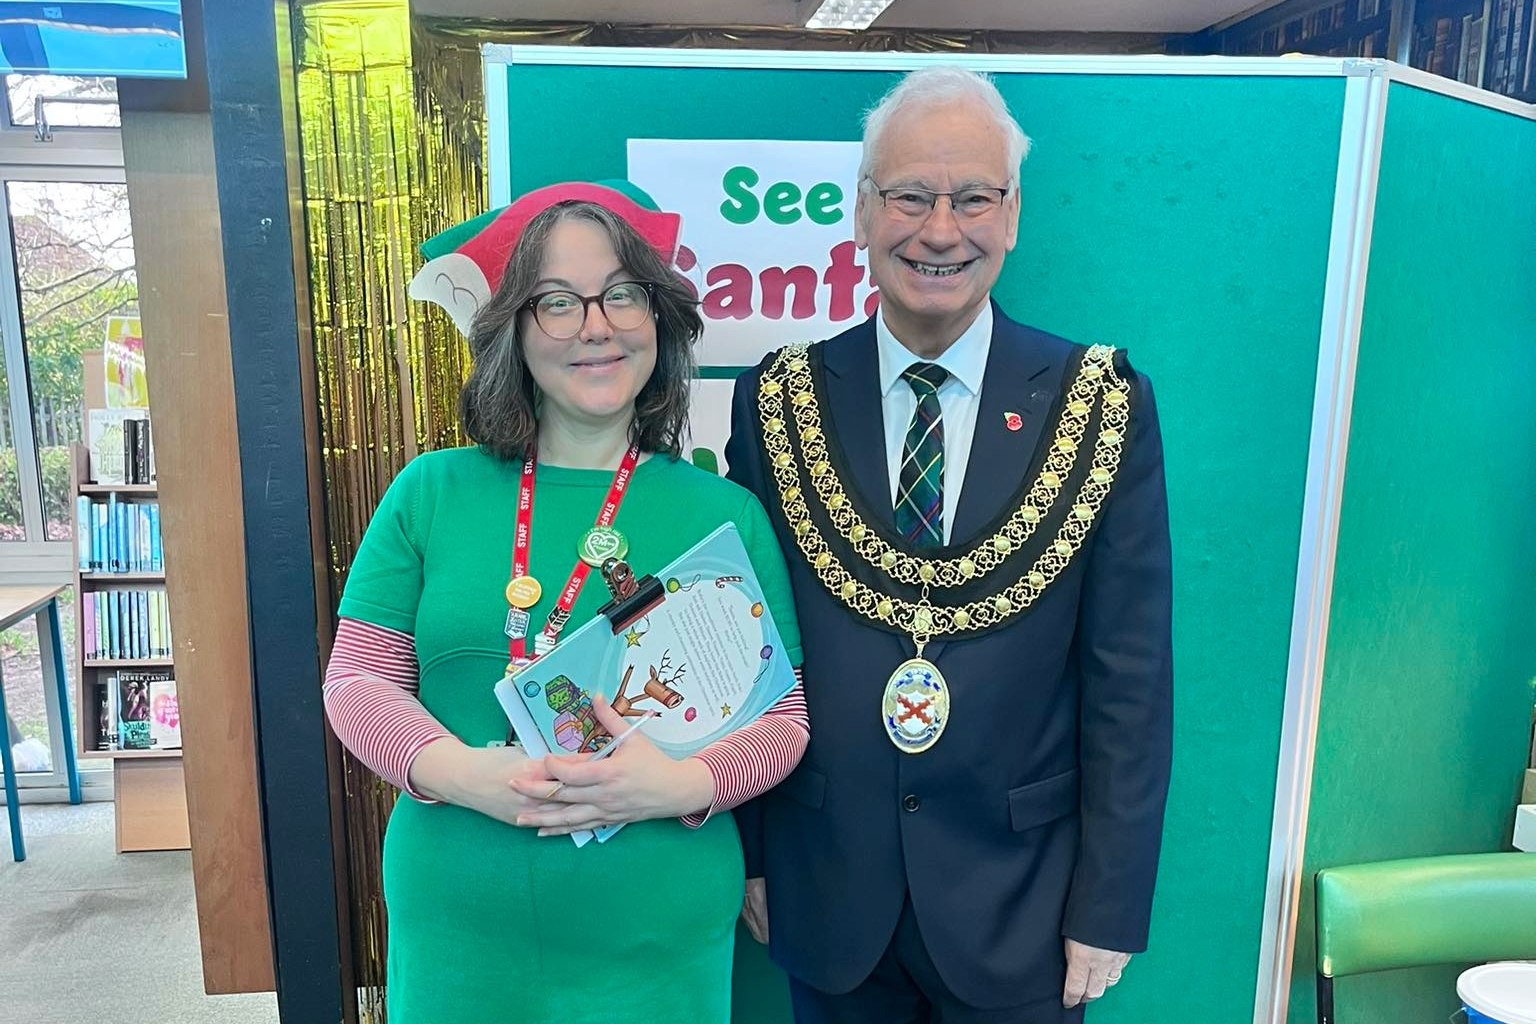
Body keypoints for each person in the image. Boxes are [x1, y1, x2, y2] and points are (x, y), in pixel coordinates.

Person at [725, 67, 1173, 1023]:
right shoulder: (776, 402)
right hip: (826, 892)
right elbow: (750, 651)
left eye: (973, 198)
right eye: (910, 196)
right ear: (861, 211)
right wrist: (754, 856)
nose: (939, 231)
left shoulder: (1099, 405)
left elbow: (1130, 681)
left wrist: (1110, 907)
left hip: (1027, 911)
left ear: (1012, 215)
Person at [324, 187, 808, 1023]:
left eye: (623, 293)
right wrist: (462, 774)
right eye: (558, 302)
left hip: (656, 934)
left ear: (659, 318)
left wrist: (676, 785)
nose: (597, 326)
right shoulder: (430, 492)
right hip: (458, 934)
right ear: (512, 327)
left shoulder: (723, 514)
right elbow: (358, 684)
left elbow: (785, 718)